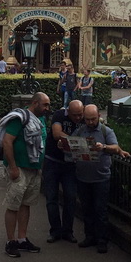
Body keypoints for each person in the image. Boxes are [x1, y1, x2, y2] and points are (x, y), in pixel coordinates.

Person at [75, 104, 130, 254]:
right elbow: (72, 143)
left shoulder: (106, 131)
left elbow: (116, 148)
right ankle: (89, 236)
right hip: (83, 177)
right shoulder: (81, 130)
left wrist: (104, 147)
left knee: (100, 210)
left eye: (93, 119)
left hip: (100, 178)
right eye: (87, 119)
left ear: (99, 116)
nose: (90, 122)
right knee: (87, 209)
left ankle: (102, 240)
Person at [2, 92, 51, 258]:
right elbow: (7, 141)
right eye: (45, 105)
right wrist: (13, 167)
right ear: (35, 103)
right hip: (20, 168)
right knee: (13, 204)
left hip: (34, 168)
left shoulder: (41, 119)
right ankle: (11, 241)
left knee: (26, 204)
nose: (47, 108)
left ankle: (22, 238)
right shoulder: (19, 118)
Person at [43, 99, 84, 244]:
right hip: (52, 161)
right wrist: (77, 141)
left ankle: (68, 231)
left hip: (70, 164)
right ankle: (55, 231)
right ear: (68, 111)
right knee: (52, 198)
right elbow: (56, 133)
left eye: (80, 115)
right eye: (74, 115)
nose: (78, 118)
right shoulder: (59, 115)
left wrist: (68, 140)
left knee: (71, 197)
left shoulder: (84, 118)